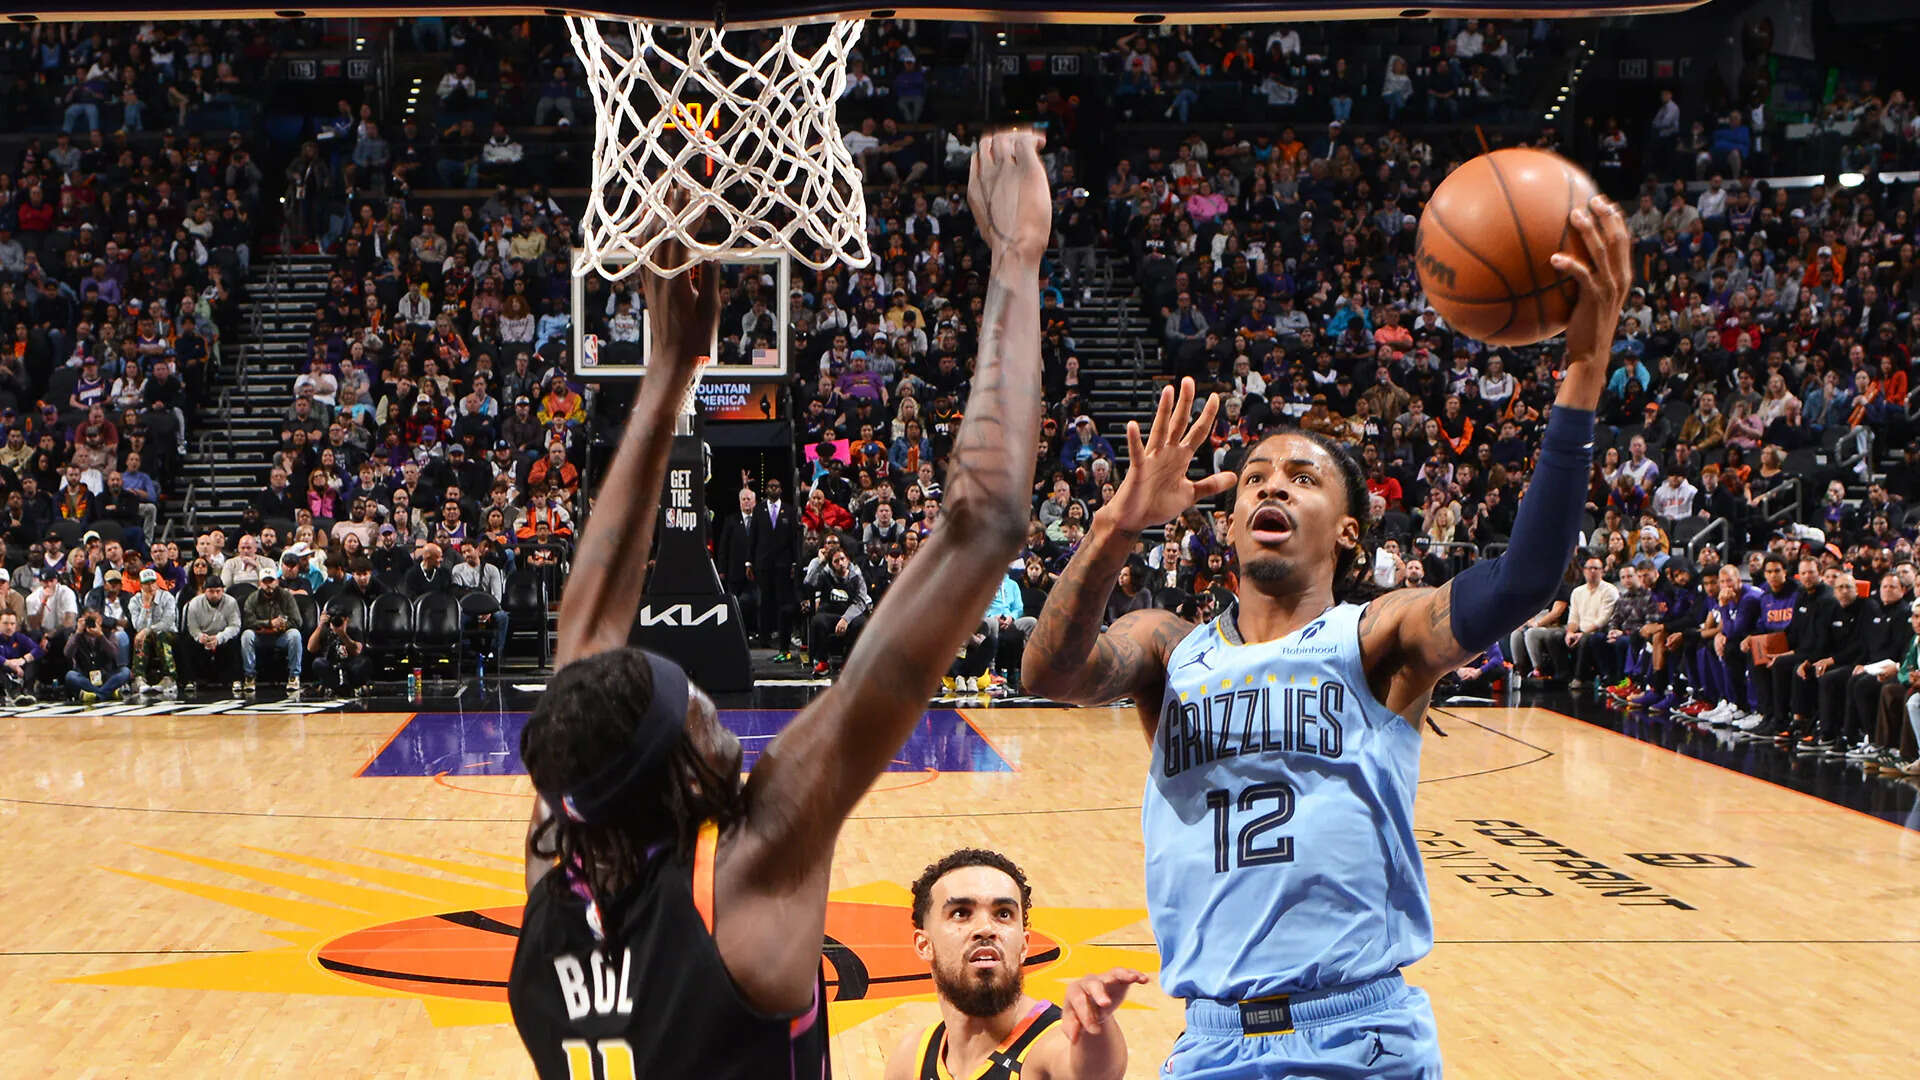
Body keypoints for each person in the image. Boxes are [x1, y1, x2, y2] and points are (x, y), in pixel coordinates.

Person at [1022, 195, 1631, 1077]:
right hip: (1210, 1040)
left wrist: (1582, 370)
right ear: (1226, 524)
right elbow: (1051, 671)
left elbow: (1525, 579)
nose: (1272, 487)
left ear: (1349, 532)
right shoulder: (1168, 648)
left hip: (1356, 1033)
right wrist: (1114, 529)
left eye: (1303, 478)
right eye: (1254, 478)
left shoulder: (1376, 637)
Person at [507, 132, 1051, 1079]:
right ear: (680, 776)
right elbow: (986, 525)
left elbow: (585, 638)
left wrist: (667, 371)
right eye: (702, 718)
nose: (725, 721)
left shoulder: (562, 863)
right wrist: (1016, 260)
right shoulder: (748, 874)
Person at [883, 849, 1147, 1080]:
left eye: (1003, 914)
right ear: (923, 944)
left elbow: (1095, 1073)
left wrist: (1096, 1022)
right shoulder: (911, 1060)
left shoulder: (1046, 1048)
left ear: (1023, 944)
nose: (985, 928)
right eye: (961, 913)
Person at [241, 564, 304, 694]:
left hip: (281, 636)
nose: (268, 585)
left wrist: (283, 626)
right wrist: (269, 623)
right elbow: (247, 622)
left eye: (271, 581)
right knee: (247, 635)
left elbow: (297, 621)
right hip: (261, 636)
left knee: (295, 635)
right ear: (260, 583)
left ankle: (294, 676)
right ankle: (249, 676)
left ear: (277, 581)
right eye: (265, 581)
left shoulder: (286, 596)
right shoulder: (252, 598)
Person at [180, 578, 243, 696]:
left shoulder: (231, 602)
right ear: (205, 591)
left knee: (235, 642)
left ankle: (236, 679)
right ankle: (190, 680)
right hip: (203, 636)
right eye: (211, 591)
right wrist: (200, 637)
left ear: (223, 590)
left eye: (218, 591)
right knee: (186, 642)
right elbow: (192, 627)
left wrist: (219, 638)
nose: (215, 595)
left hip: (223, 635)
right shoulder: (194, 603)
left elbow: (235, 626)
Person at [128, 567, 180, 697]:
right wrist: (145, 607)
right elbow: (137, 626)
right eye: (146, 583)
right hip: (146, 636)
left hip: (169, 634)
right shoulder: (135, 601)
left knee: (160, 635)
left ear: (157, 583)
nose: (150, 586)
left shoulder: (167, 597)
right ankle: (139, 678)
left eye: (152, 582)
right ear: (141, 585)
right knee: (140, 638)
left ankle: (170, 678)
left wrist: (148, 630)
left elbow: (167, 623)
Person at [65, 612, 131, 703]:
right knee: (70, 675)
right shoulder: (77, 636)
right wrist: (78, 632)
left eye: (94, 620)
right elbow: (67, 653)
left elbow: (114, 653)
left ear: (100, 621)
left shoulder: (108, 634)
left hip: (107, 676)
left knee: (125, 671)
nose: (91, 624)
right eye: (88, 620)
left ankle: (96, 695)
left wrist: (101, 636)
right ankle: (108, 693)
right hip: (86, 677)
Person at [308, 609, 371, 697]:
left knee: (364, 662)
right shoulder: (325, 631)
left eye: (340, 621)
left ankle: (345, 686)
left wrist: (343, 634)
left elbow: (357, 651)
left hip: (351, 667)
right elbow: (311, 648)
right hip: (331, 667)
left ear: (346, 620)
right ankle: (337, 686)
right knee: (318, 662)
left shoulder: (354, 630)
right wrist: (320, 625)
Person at [0, 609, 44, 703]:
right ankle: (12, 692)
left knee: (32, 661)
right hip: (3, 670)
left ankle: (28, 691)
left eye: (12, 624)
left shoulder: (19, 637)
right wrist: (8, 663)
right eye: (5, 623)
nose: (9, 627)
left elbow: (38, 650)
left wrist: (23, 660)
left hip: (19, 670)